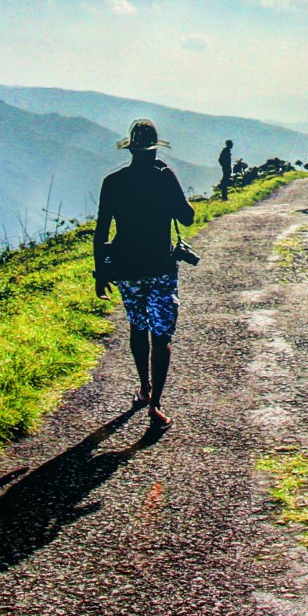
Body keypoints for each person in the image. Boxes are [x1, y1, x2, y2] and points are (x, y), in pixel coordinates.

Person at [93, 119, 196, 429]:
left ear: (130, 148)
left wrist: (100, 274)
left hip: (127, 268)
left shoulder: (113, 182)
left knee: (138, 328)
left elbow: (100, 232)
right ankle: (156, 406)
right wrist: (169, 181)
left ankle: (143, 388)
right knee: (161, 336)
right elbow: (188, 218)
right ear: (154, 149)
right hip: (161, 267)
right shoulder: (163, 177)